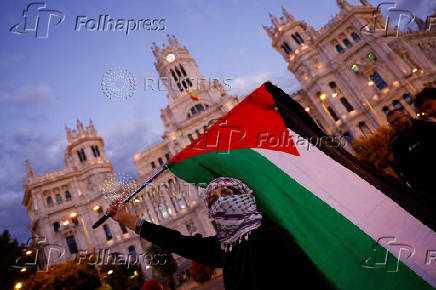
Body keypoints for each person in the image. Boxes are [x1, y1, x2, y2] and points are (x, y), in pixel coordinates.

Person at [107, 177, 333, 290]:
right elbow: (179, 242)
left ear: (243, 195)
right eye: (213, 199)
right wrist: (129, 220)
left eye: (227, 192)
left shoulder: (273, 231)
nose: (220, 200)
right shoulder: (224, 246)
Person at [387, 109, 436, 193]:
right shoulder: (397, 146)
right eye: (392, 123)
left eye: (398, 119)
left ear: (407, 116)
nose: (396, 124)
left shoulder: (429, 128)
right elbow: (406, 172)